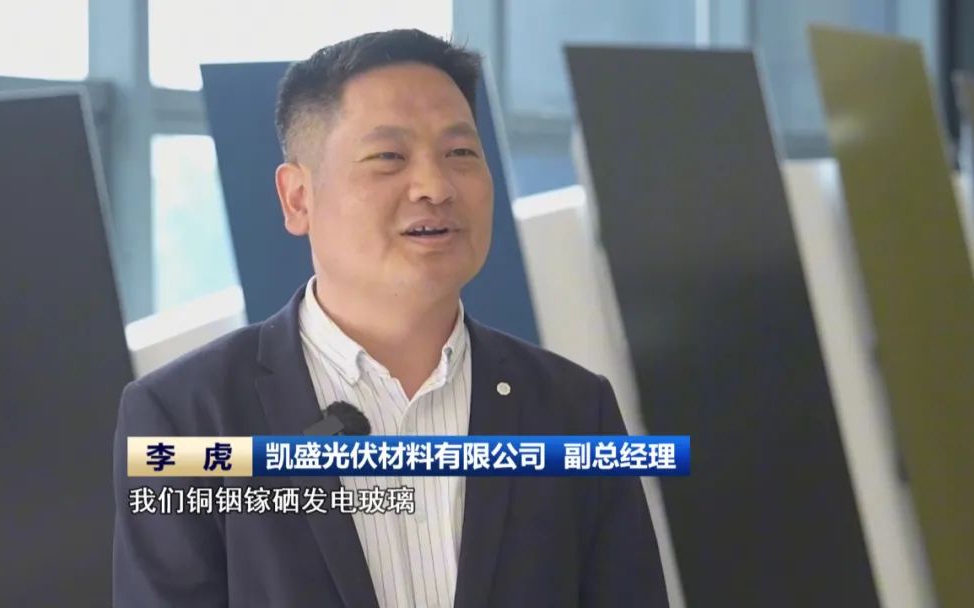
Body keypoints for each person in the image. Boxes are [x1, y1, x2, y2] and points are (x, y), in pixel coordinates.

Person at [113, 29, 667, 608]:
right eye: (389, 157)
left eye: (460, 153)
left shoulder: (574, 410)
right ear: (298, 198)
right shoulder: (186, 417)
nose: (435, 186)